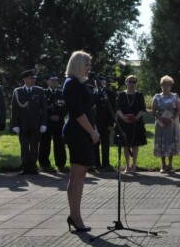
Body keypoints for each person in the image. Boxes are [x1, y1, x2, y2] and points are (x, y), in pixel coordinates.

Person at [63, 50, 99, 232]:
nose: (89, 68)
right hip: (77, 133)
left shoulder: (80, 84)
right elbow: (78, 113)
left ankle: (75, 215)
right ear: (77, 65)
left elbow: (89, 110)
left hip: (84, 132)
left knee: (82, 174)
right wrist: (92, 131)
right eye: (87, 65)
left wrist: (94, 129)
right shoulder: (71, 84)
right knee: (76, 175)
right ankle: (75, 216)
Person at [11, 69, 47, 175]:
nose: (33, 80)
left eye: (34, 78)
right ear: (25, 79)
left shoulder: (40, 90)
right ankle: (25, 167)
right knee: (24, 147)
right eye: (31, 78)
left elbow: (44, 108)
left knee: (35, 147)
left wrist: (43, 123)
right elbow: (14, 109)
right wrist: (15, 125)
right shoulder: (17, 91)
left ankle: (33, 167)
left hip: (36, 124)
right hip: (23, 124)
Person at [116, 75, 147, 173]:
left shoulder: (139, 95)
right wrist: (123, 117)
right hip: (123, 122)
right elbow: (117, 109)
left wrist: (136, 117)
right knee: (125, 144)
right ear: (126, 82)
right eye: (130, 81)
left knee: (135, 144)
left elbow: (143, 109)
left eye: (134, 82)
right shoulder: (121, 95)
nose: (132, 84)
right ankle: (127, 165)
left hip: (136, 123)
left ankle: (134, 165)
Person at [152, 75, 180, 174]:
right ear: (161, 85)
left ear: (171, 86)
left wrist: (171, 119)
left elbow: (178, 110)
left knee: (170, 142)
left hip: (172, 123)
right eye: (163, 84)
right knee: (161, 143)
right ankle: (163, 164)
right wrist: (161, 118)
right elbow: (153, 111)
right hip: (160, 122)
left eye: (168, 85)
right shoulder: (157, 96)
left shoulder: (175, 96)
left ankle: (170, 164)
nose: (166, 86)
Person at [39, 74, 67, 173]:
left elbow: (65, 108)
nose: (54, 82)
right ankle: (44, 165)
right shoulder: (43, 93)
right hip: (46, 122)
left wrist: (59, 116)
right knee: (44, 143)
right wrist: (49, 116)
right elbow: (41, 108)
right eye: (52, 80)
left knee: (59, 143)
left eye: (56, 81)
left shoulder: (62, 93)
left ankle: (61, 164)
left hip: (59, 122)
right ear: (47, 82)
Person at [93, 74, 116, 171]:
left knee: (105, 144)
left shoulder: (110, 93)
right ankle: (96, 164)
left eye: (102, 81)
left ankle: (106, 164)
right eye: (98, 81)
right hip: (94, 123)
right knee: (95, 143)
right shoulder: (92, 93)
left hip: (106, 123)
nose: (100, 83)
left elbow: (112, 109)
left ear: (105, 82)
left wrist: (111, 123)